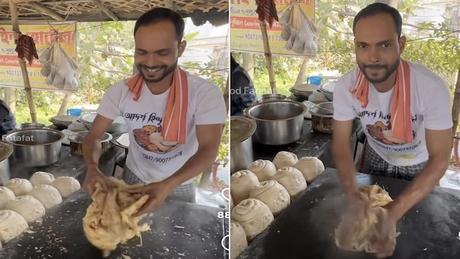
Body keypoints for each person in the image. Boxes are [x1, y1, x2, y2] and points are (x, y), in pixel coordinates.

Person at [332, 2, 452, 257]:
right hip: (377, 157)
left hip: (420, 165)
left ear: (402, 44)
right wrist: (353, 195)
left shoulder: (430, 88)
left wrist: (392, 213)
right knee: (368, 231)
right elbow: (341, 145)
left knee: (419, 231)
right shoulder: (346, 87)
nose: (372, 57)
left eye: (384, 45)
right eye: (363, 46)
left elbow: (440, 157)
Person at [82, 7, 226, 216]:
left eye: (162, 53)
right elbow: (94, 137)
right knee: (127, 233)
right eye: (142, 52)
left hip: (180, 180)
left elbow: (208, 150)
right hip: (134, 176)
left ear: (181, 48)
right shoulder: (120, 92)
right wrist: (93, 167)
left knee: (177, 236)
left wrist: (169, 184)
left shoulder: (204, 93)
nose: (150, 63)